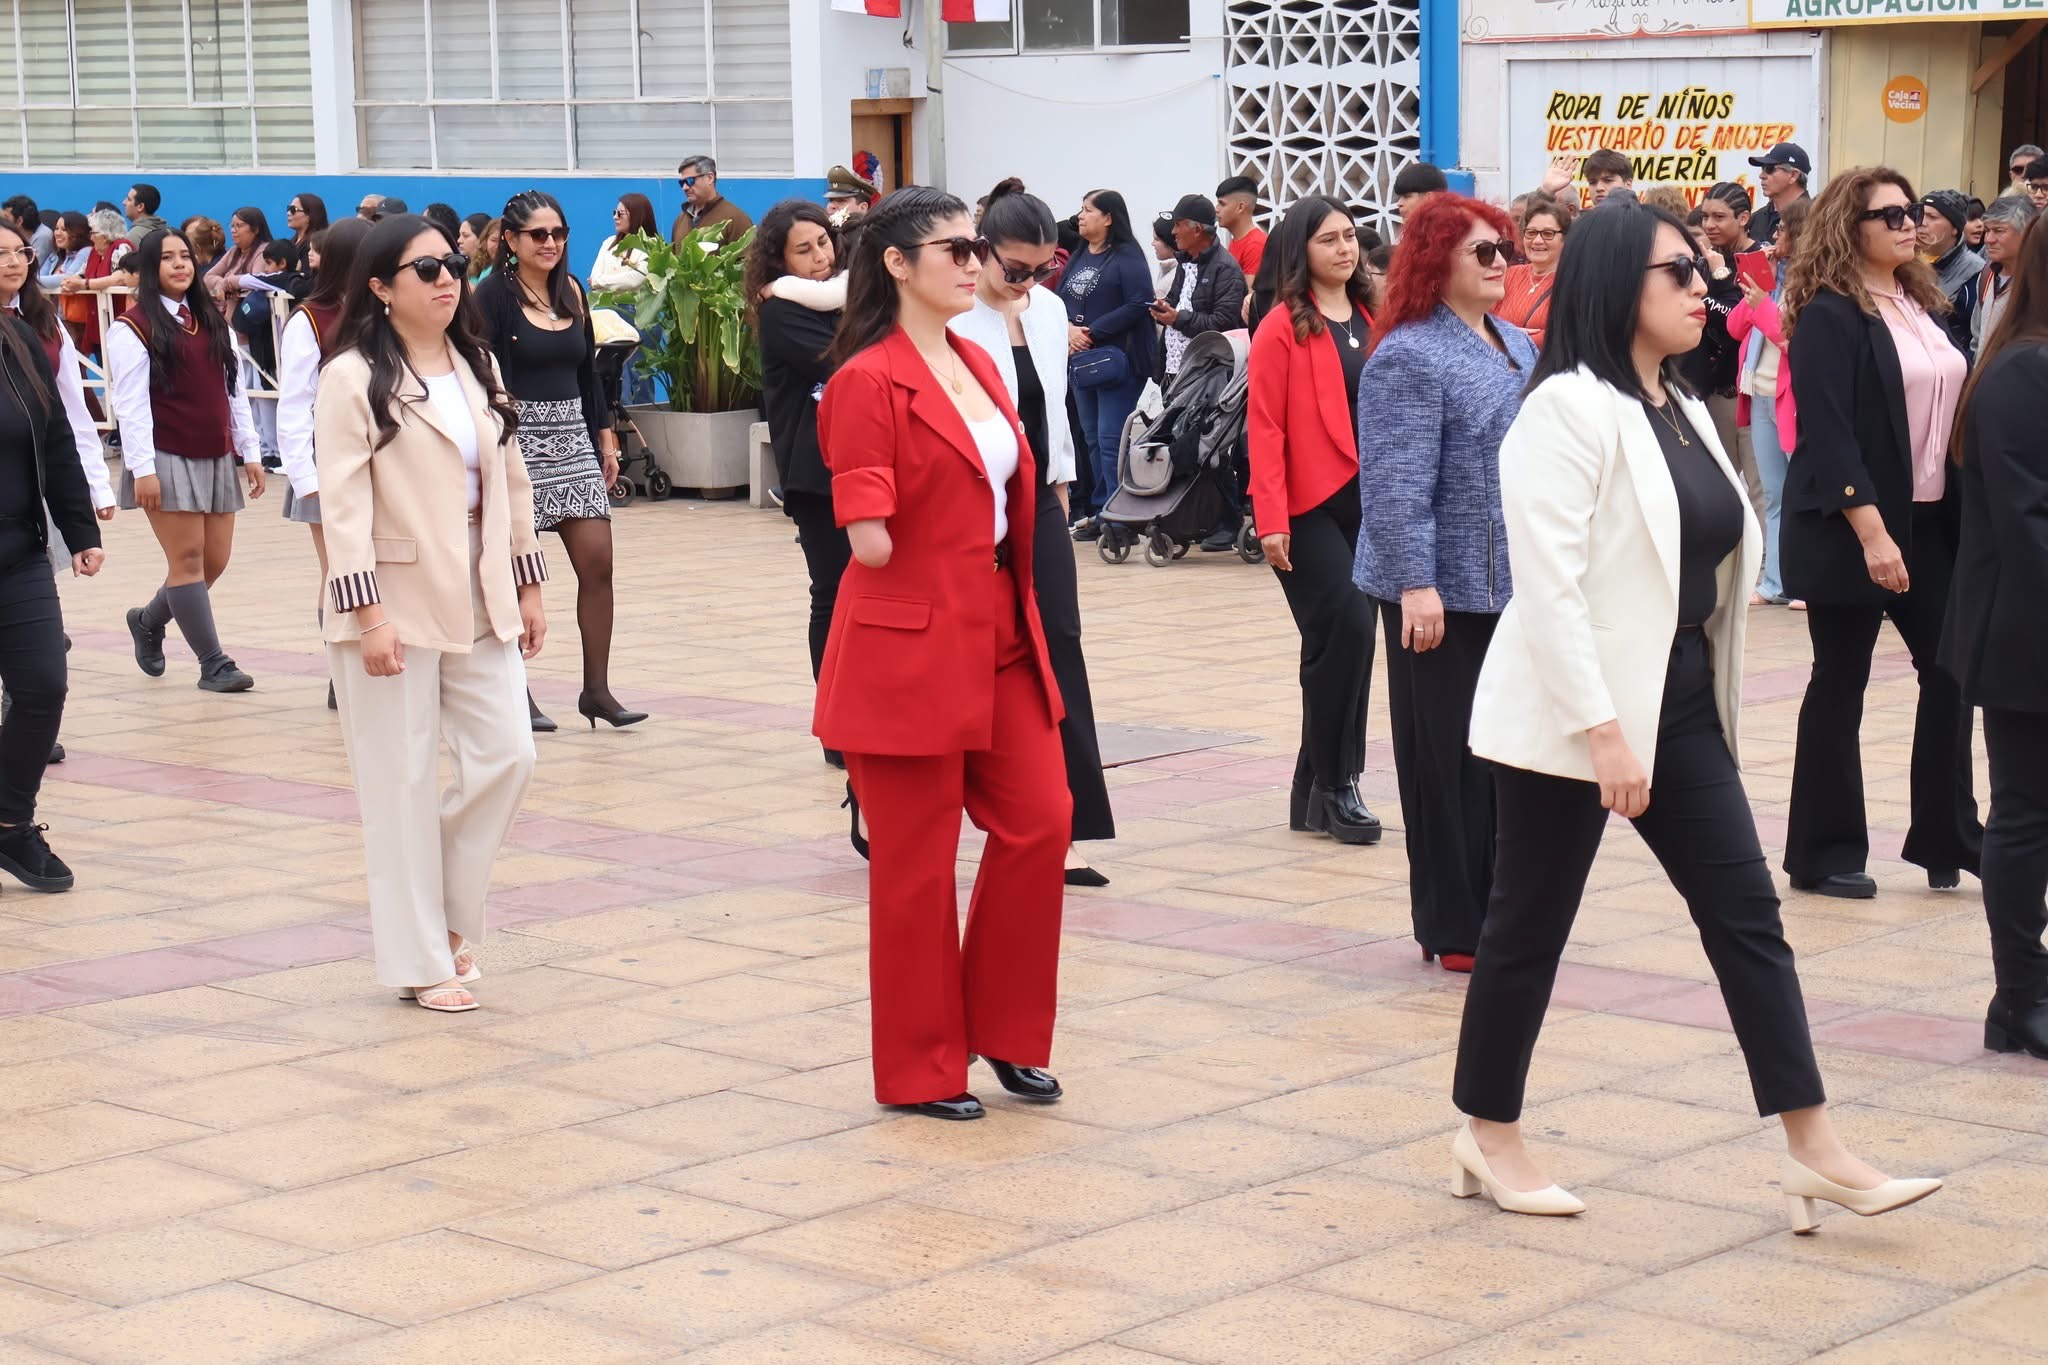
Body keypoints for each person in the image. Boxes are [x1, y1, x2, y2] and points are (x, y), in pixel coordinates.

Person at [1449, 194, 1942, 1230]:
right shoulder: (1564, 408)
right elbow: (1549, 587)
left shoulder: (1673, 400)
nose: (1703, 291)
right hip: (1571, 709)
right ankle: (1488, 1134)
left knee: (1747, 915)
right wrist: (1601, 731)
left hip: (1673, 696)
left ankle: (1813, 1147)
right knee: (1527, 926)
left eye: (1699, 272)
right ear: (1613, 285)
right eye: (1677, 273)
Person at [817, 186, 1071, 1121]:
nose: (977, 262)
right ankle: (922, 1066)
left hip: (1000, 630)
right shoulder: (865, 379)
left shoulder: (978, 358)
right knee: (917, 867)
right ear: (896, 263)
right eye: (956, 249)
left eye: (977, 247)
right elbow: (870, 540)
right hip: (909, 646)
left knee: (1043, 820)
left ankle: (1002, 1028)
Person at [315, 213, 546, 1014]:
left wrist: (527, 580)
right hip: (392, 598)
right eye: (426, 269)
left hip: (480, 589)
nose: (447, 278)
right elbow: (342, 504)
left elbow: (511, 479)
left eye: (452, 263)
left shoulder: (476, 361)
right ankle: (422, 957)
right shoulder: (351, 376)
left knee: (509, 755)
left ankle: (442, 913)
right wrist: (368, 613)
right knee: (401, 784)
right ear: (381, 288)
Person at [1781, 167, 1981, 900]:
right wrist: (1872, 533)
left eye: (1912, 211)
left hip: (1932, 524)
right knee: (1841, 680)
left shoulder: (1924, 303)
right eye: (1890, 215)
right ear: (1850, 227)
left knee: (1951, 676)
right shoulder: (1829, 314)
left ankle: (1947, 835)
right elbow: (1829, 433)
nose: (1909, 224)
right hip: (1852, 526)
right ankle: (1823, 852)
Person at [1357, 193, 1535, 969]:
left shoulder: (1516, 342)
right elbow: (1394, 484)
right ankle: (1454, 923)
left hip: (1512, 585)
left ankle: (1502, 908)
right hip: (1438, 591)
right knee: (1447, 761)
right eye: (1483, 252)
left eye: (1505, 250)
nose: (1501, 264)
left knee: (1507, 758)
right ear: (1438, 262)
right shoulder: (1409, 354)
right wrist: (1414, 582)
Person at [951, 179, 1116, 887]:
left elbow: (1052, 407)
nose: (1027, 282)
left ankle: (1067, 824)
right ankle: (883, 785)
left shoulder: (1048, 310)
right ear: (980, 249)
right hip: (965, 503)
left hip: (1039, 497)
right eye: (1014, 268)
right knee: (966, 656)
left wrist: (1062, 487)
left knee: (1060, 645)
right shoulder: (952, 315)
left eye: (1043, 268)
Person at [475, 190, 641, 733]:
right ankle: (515, 692)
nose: (550, 243)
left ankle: (597, 691)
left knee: (598, 563)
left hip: (572, 438)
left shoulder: (571, 290)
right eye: (538, 235)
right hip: (516, 440)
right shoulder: (491, 296)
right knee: (511, 571)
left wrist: (606, 440)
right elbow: (480, 372)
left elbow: (588, 372)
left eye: (559, 233)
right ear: (510, 240)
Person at [1942, 218, 2048, 1060]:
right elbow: (2027, 521)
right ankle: (2021, 993)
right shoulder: (2021, 369)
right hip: (2026, 630)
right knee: (2025, 811)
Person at [1246, 196, 1382, 848]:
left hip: (1368, 504)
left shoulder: (1373, 317)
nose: (1344, 249)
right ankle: (1338, 784)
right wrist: (1269, 517)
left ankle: (1311, 788)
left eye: (1350, 237)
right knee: (1349, 629)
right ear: (1301, 250)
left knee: (1340, 645)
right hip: (1304, 507)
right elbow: (1265, 426)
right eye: (1329, 239)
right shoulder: (1282, 325)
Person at [113, 228, 266, 693]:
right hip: (165, 454)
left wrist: (251, 451)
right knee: (188, 559)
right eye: (167, 258)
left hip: (215, 453)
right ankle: (213, 664)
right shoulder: (132, 327)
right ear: (149, 268)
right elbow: (130, 405)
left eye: (185, 256)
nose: (180, 264)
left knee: (214, 561)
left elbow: (234, 391)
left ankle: (148, 620)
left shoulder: (211, 320)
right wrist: (143, 469)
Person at [0, 263, 104, 891]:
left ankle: (10, 823)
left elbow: (58, 437)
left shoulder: (19, 338)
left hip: (18, 549)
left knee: (43, 685)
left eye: (18, 252)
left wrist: (81, 529)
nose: (12, 262)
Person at [749, 199, 851, 765]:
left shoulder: (843, 295)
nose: (819, 257)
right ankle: (837, 727)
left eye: (823, 242)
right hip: (816, 474)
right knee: (832, 595)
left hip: (864, 465)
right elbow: (843, 363)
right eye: (803, 249)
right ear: (779, 259)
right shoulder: (782, 310)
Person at [275, 217, 373, 656]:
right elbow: (295, 402)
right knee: (339, 567)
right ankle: (340, 665)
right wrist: (304, 475)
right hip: (328, 459)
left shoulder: (385, 311)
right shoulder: (310, 319)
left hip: (381, 453)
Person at [1056, 189, 1155, 538]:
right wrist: (1069, 329)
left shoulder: (1128, 256)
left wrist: (1093, 332)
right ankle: (1103, 512)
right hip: (1082, 361)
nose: (1080, 216)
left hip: (1118, 363)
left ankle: (1122, 518)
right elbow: (1061, 299)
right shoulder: (1080, 254)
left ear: (1109, 218)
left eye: (1088, 210)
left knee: (1112, 439)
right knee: (1092, 439)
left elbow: (1139, 303)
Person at [1729, 197, 1810, 609]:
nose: (1775, 237)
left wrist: (1762, 304)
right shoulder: (1773, 280)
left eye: (1781, 230)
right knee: (1775, 495)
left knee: (1803, 495)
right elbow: (1734, 327)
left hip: (1793, 398)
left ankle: (1807, 582)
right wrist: (1755, 287)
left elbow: (1793, 342)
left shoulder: (1815, 284)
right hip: (1760, 394)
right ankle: (1775, 581)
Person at [1151, 194, 1247, 387]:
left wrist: (1177, 319)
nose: (1173, 232)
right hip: (1173, 369)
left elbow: (1223, 325)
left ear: (1197, 230)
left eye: (1178, 225)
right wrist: (1162, 308)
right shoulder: (1185, 262)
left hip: (1206, 376)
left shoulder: (1226, 269)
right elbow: (1175, 300)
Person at [1918, 190, 1984, 357]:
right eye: (1920, 214)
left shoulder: (1975, 272)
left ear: (1955, 228)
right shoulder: (1905, 263)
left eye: (1932, 217)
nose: (1922, 222)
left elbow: (1978, 337)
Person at [57, 210, 131, 358]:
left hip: (120, 322)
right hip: (99, 323)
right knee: (102, 362)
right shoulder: (95, 253)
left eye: (93, 233)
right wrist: (70, 282)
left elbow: (119, 278)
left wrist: (84, 285)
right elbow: (81, 273)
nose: (90, 237)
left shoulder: (122, 247)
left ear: (105, 235)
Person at [1498, 194, 1569, 347]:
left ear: (1565, 239)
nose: (1537, 241)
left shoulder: (1572, 283)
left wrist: (1509, 336)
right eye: (1531, 233)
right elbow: (1484, 321)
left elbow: (1563, 336)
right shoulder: (1510, 274)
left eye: (1548, 234)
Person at [1972, 196, 2034, 354]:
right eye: (1987, 230)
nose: (1988, 239)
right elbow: (1977, 340)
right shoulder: (1987, 275)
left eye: (1999, 231)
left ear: (2026, 232)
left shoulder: (2038, 282)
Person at [203, 207, 270, 318]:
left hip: (248, 318)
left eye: (239, 226)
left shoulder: (264, 251)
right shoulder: (233, 251)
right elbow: (208, 277)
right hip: (226, 317)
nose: (233, 230)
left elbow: (255, 282)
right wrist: (221, 283)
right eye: (232, 226)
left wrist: (228, 284)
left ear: (256, 229)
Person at [673, 155, 753, 247]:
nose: (685, 187)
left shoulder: (735, 219)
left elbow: (749, 255)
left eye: (690, 180)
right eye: (682, 183)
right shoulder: (680, 220)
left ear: (710, 178)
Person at [589, 194, 656, 293]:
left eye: (620, 213)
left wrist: (599, 282)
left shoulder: (651, 245)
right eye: (614, 212)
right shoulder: (609, 242)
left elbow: (635, 280)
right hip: (606, 301)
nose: (615, 217)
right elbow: (594, 276)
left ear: (636, 215)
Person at [1749, 142, 1813, 245]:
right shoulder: (1755, 220)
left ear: (1793, 175)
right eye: (1762, 168)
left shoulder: (1815, 218)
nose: (1761, 175)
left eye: (1769, 169)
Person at [1215, 175, 1267, 276]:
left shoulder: (1255, 245)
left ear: (1240, 207)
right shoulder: (1235, 241)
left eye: (1222, 204)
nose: (1216, 209)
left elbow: (1250, 287)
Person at [37, 212, 90, 297]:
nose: (58, 233)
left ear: (78, 233)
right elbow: (39, 275)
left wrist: (28, 280)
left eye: (64, 229)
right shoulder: (54, 256)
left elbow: (67, 279)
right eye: (56, 228)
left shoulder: (86, 251)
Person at [284, 192, 329, 264]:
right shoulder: (291, 243)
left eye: (293, 210)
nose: (288, 213)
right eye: (288, 209)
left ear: (309, 216)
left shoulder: (314, 247)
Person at [468, 218, 501, 283]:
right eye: (494, 240)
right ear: (485, 240)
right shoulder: (477, 265)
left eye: (502, 241)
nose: (497, 246)